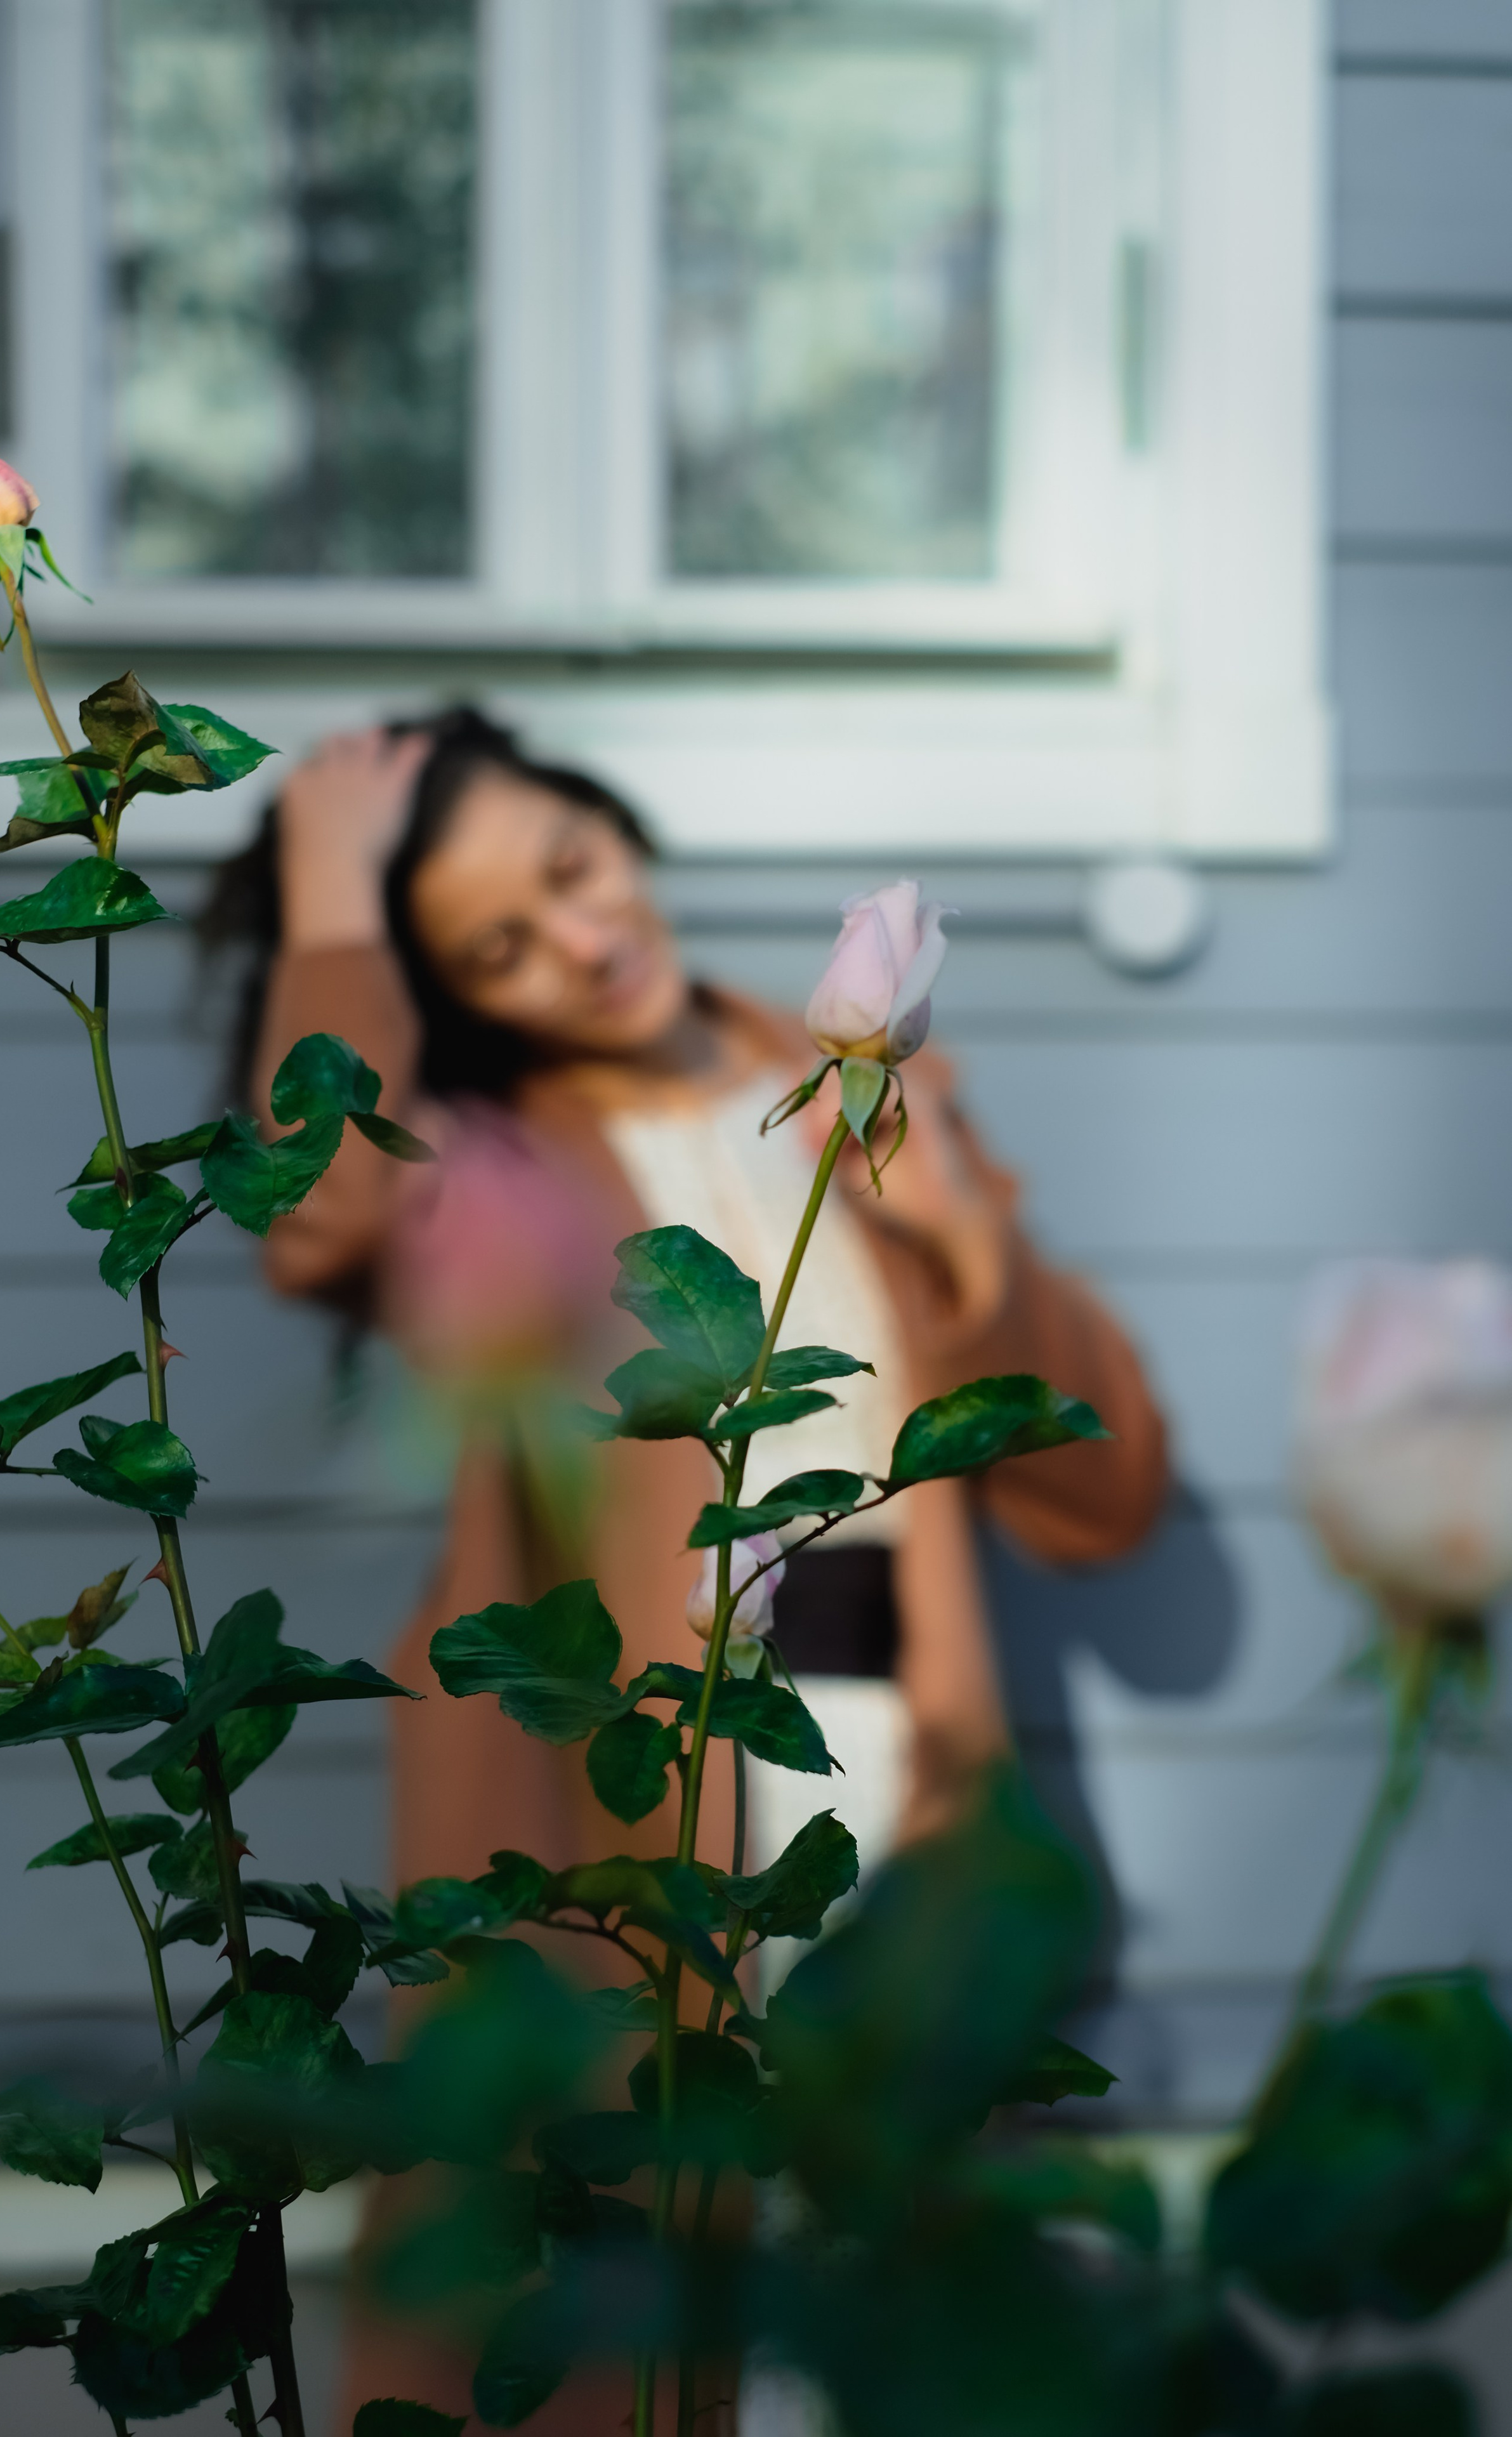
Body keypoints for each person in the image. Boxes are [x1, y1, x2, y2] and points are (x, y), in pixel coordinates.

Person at [208, 704, 1170, 2428]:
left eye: (572, 869)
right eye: (499, 945)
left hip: (904, 1775)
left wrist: (963, 1237)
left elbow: (1105, 1497)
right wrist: (331, 891)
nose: (579, 943)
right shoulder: (479, 1161)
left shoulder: (872, 1075)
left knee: (877, 2281)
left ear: (617, 827)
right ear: (460, 999)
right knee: (633, 2283)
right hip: (631, 1789)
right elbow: (316, 1212)